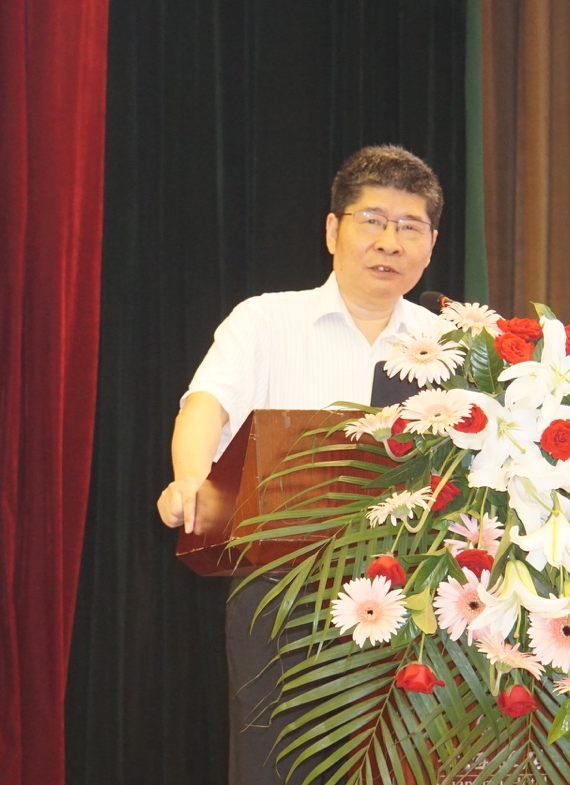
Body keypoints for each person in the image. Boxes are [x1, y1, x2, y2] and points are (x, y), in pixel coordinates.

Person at [157, 145, 446, 784]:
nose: (390, 241)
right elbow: (206, 403)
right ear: (333, 230)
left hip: (417, 598)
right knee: (275, 764)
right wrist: (190, 477)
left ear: (430, 245)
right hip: (282, 591)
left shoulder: (451, 344)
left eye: (409, 226)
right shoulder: (266, 320)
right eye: (372, 220)